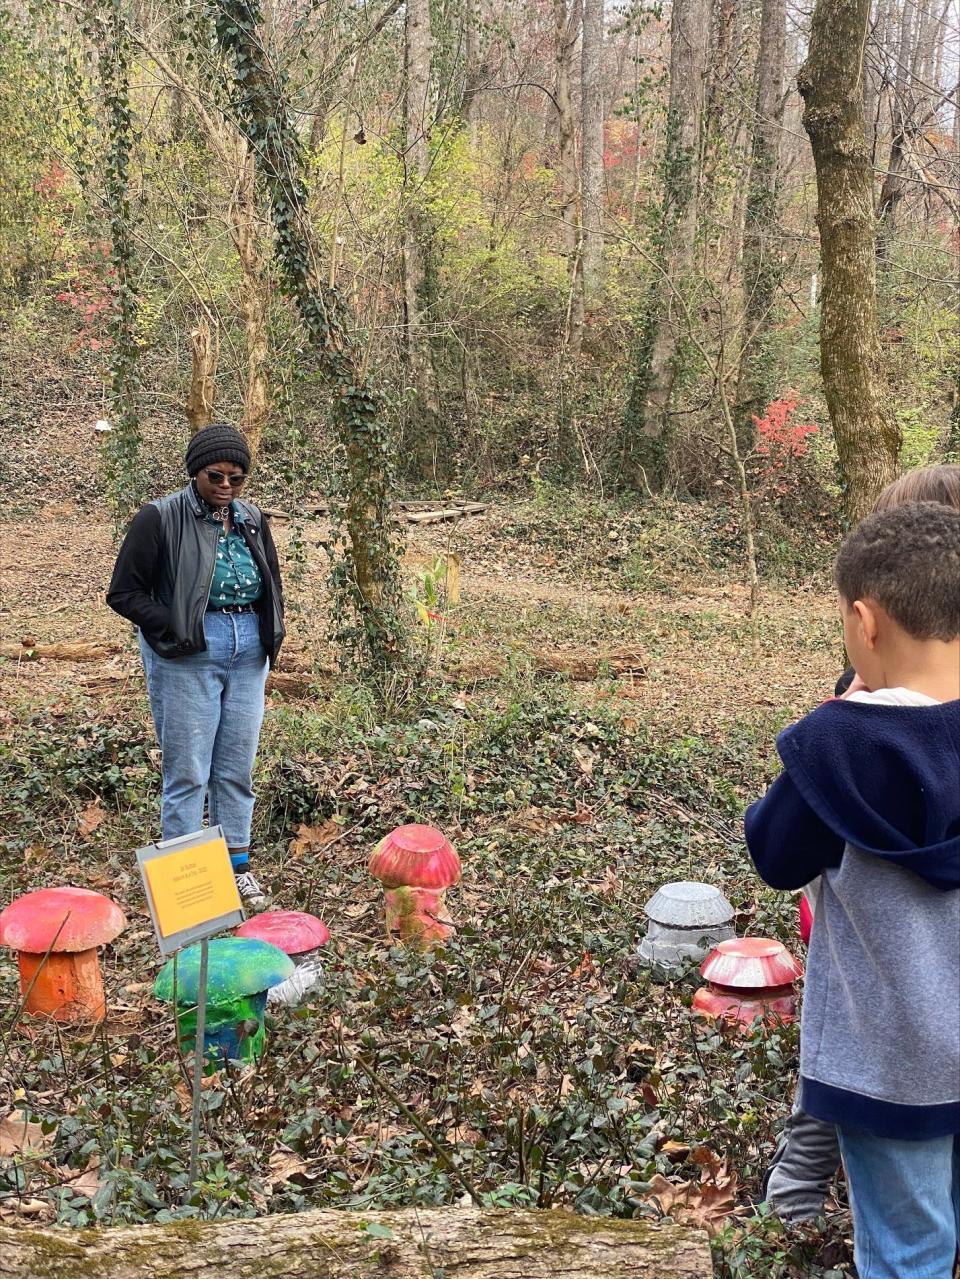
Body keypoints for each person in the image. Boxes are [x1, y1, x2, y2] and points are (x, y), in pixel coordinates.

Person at [745, 501, 960, 1278]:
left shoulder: (836, 744)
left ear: (865, 621)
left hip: (888, 1059)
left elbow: (773, 852)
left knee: (909, 1252)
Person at [107, 423, 285, 907]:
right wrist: (175, 624)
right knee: (188, 771)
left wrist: (272, 631)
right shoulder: (159, 518)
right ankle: (185, 892)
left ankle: (236, 868)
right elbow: (123, 593)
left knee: (236, 767)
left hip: (248, 650)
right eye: (216, 476)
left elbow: (269, 578)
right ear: (195, 473)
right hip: (188, 654)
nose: (226, 487)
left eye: (237, 477)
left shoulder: (250, 517)